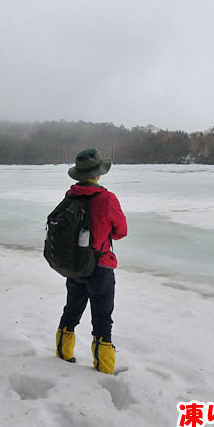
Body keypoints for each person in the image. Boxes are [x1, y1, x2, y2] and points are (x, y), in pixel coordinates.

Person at [55, 148, 127, 374]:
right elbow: (121, 231)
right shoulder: (107, 198)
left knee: (71, 309)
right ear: (98, 174)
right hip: (101, 265)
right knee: (103, 317)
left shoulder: (70, 195)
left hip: (75, 264)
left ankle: (63, 353)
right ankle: (104, 367)